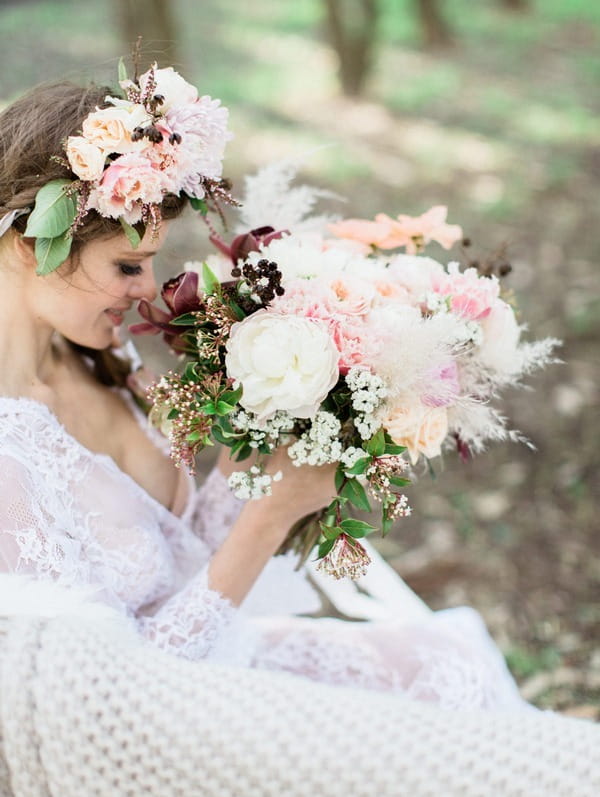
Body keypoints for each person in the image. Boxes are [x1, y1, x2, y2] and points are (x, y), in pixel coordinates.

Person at [0, 68, 525, 711]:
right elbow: (105, 704)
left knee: (448, 664)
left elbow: (191, 551)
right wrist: (271, 517)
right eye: (127, 265)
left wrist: (286, 402)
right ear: (30, 248)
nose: (148, 289)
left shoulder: (97, 354)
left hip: (223, 654)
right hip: (183, 717)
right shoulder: (7, 461)